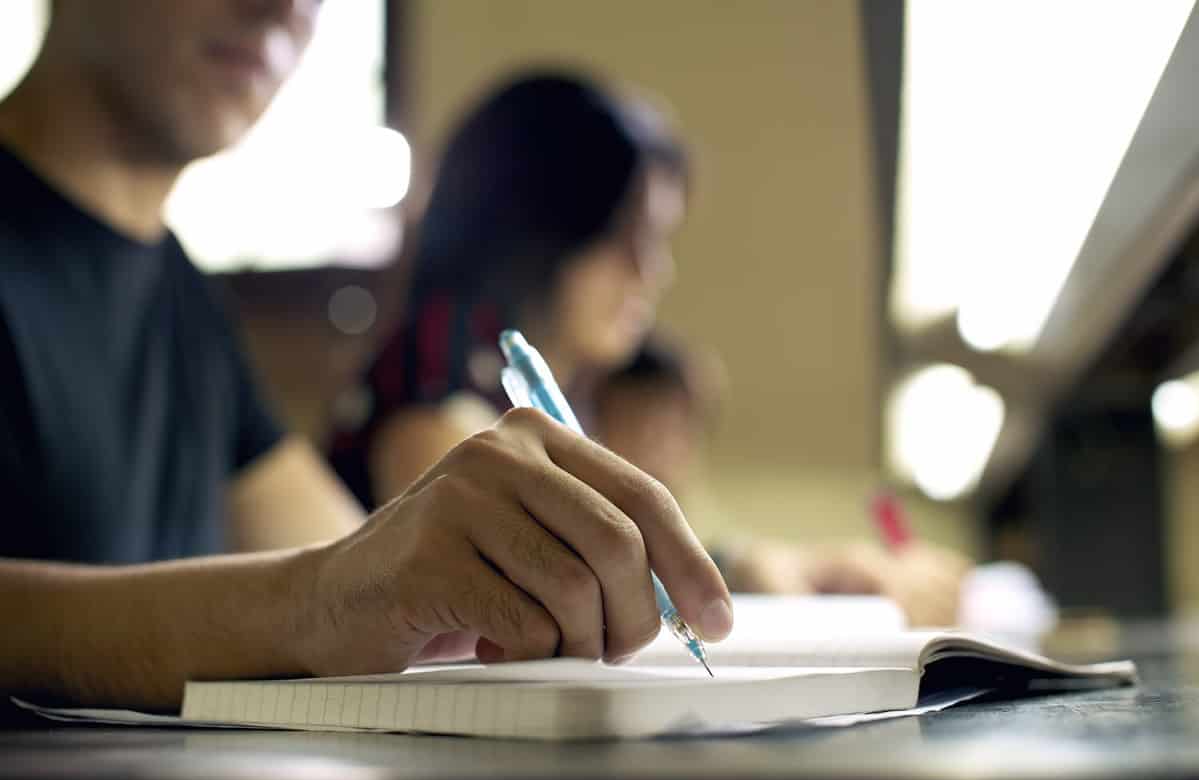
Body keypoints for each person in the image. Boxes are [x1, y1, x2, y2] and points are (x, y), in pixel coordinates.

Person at [0, 0, 731, 713]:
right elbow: (326, 589)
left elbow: (352, 560)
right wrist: (320, 597)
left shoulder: (178, 295)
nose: (284, 8)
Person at [330, 72, 688, 508]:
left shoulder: (557, 394)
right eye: (624, 237)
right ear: (540, 232)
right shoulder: (439, 406)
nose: (651, 270)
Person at [593, 335, 971, 627]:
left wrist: (819, 566)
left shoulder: (707, 535)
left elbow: (723, 558)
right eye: (636, 424)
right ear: (595, 425)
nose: (658, 448)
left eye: (675, 429)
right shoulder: (588, 531)